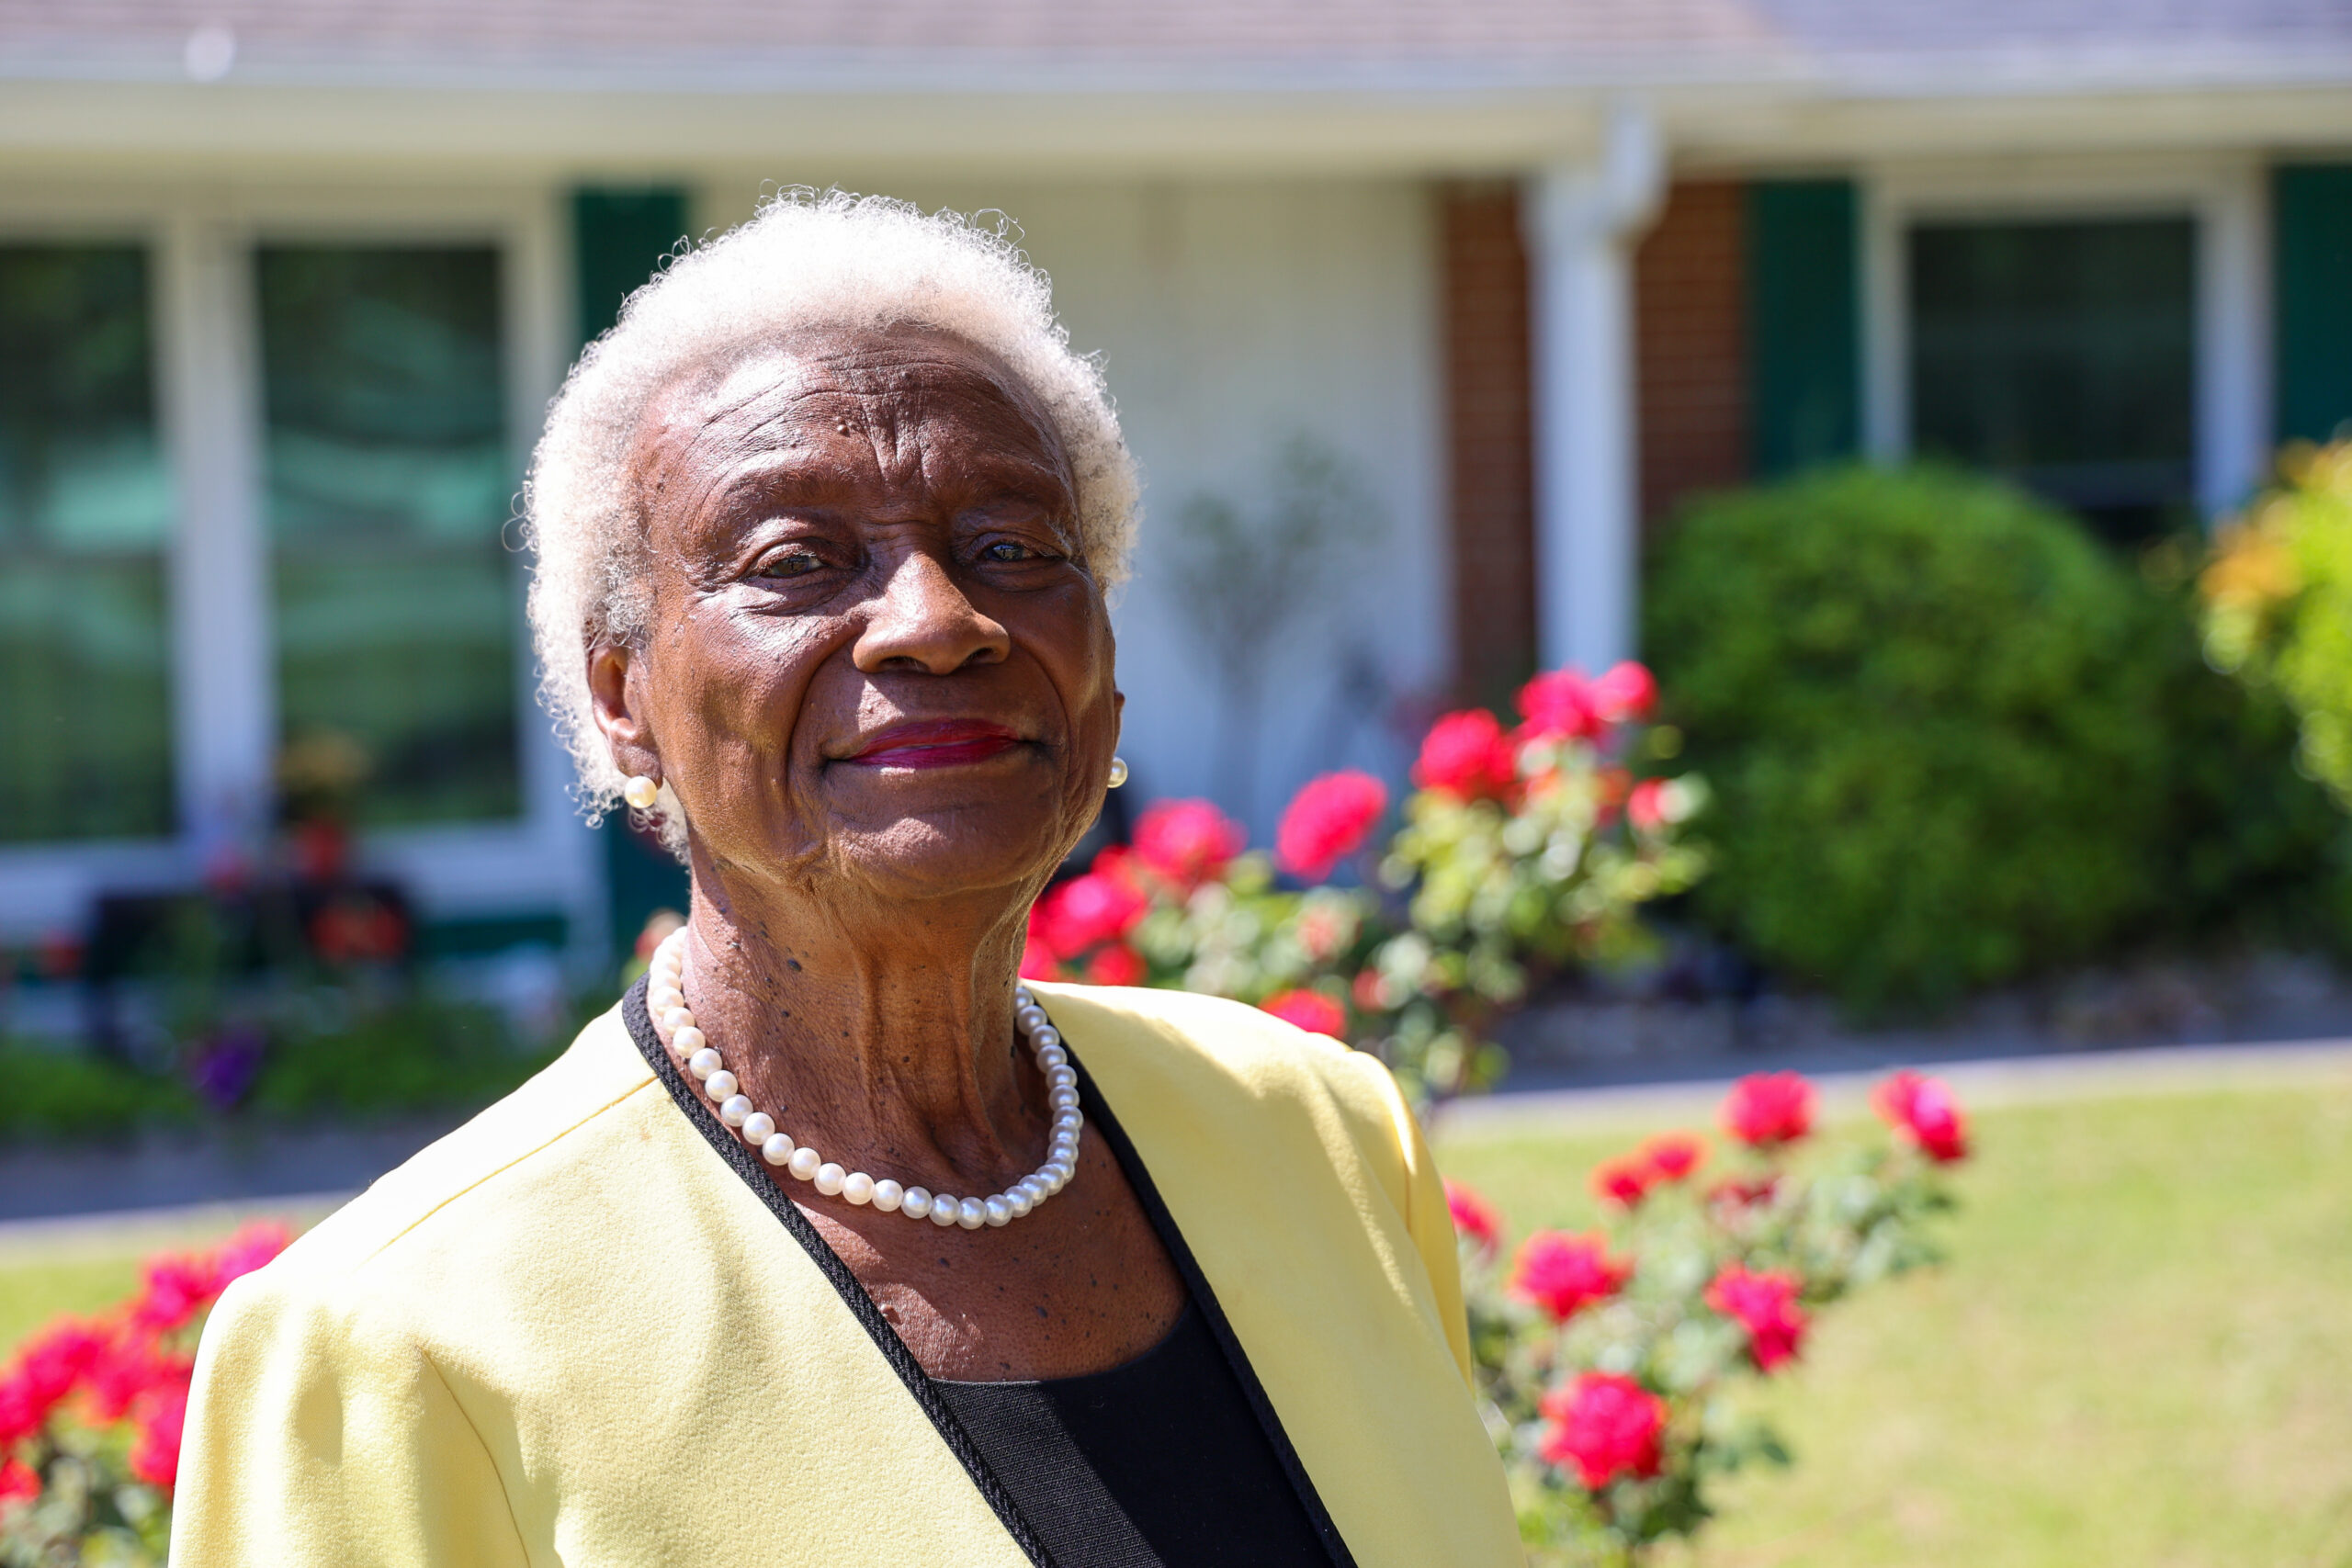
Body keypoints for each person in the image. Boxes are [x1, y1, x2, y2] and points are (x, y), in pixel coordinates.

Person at [170, 191, 1520, 1567]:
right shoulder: (396, 1340)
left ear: (1105, 674)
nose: (940, 620)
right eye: (795, 561)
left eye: (1013, 547)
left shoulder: (1322, 1138)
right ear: (622, 696)